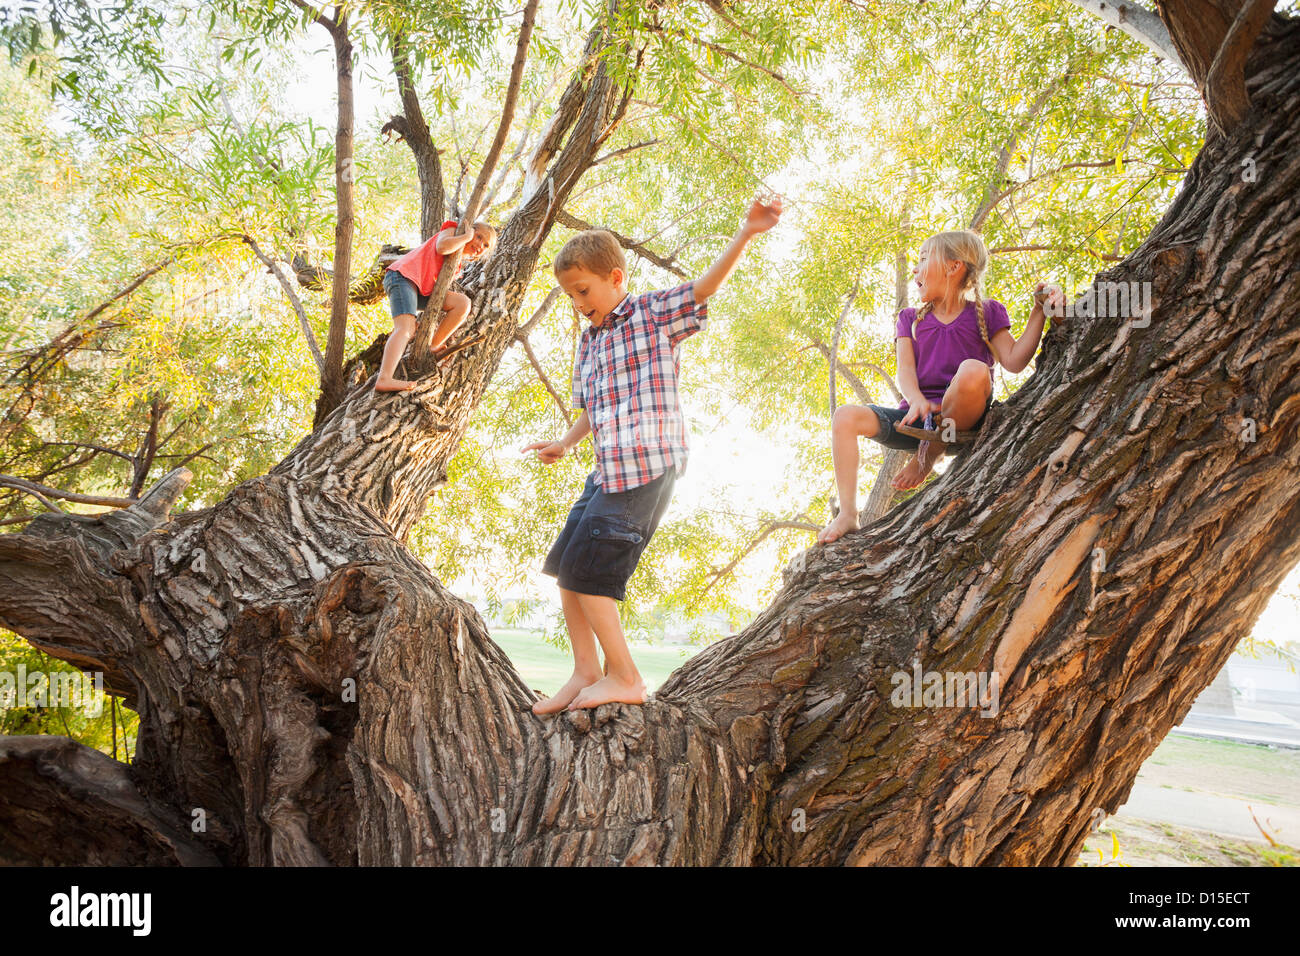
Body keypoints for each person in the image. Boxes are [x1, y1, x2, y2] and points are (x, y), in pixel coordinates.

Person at [522, 195, 784, 713]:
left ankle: (626, 677)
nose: (578, 302)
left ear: (616, 279)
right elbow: (592, 408)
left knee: (594, 576)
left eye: (583, 290)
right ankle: (585, 670)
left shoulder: (649, 314)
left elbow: (704, 288)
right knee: (565, 571)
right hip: (606, 471)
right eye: (570, 295)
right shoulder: (589, 341)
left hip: (646, 467)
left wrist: (747, 232)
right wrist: (565, 443)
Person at [817, 228, 1064, 545]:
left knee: (974, 370)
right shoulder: (910, 318)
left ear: (953, 266)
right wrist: (916, 400)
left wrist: (1038, 314)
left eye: (923, 259)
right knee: (845, 416)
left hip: (965, 420)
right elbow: (905, 369)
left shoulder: (987, 312)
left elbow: (1014, 361)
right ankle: (848, 514)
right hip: (920, 421)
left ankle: (928, 456)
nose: (915, 270)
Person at [375, 219, 496, 392]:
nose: (480, 245)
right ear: (469, 230)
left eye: (485, 245)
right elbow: (442, 247)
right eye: (478, 237)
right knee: (405, 329)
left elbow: (438, 291)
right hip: (402, 277)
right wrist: (466, 236)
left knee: (463, 303)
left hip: (419, 290)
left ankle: (433, 345)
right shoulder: (453, 230)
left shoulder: (457, 264)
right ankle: (384, 378)